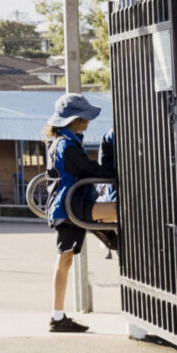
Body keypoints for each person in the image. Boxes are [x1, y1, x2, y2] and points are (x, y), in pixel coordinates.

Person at [45, 93, 116, 334]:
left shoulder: (67, 141)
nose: (87, 122)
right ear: (70, 120)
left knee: (65, 258)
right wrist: (111, 170)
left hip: (72, 204)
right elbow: (89, 169)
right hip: (70, 206)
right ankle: (56, 315)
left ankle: (108, 236)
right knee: (64, 259)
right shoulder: (67, 145)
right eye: (83, 118)